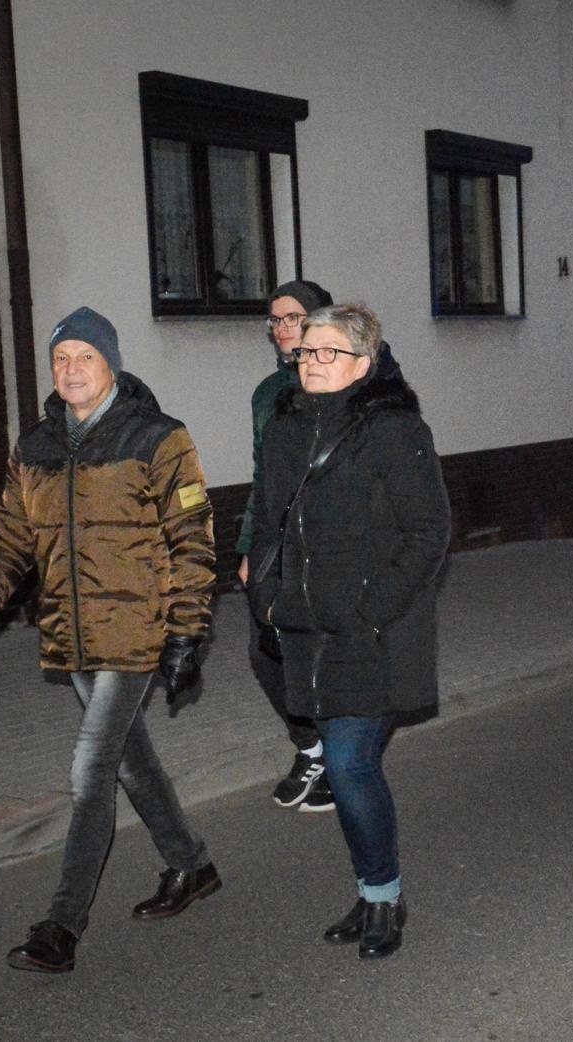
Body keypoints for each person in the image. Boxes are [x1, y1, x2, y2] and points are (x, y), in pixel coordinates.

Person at [0, 307, 219, 973]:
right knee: (130, 761)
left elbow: (192, 539)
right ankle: (191, 865)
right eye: (61, 358)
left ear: (111, 365)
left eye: (85, 358)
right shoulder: (35, 447)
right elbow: (9, 541)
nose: (71, 370)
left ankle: (61, 927)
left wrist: (186, 631)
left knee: (90, 769)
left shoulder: (158, 438)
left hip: (137, 628)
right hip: (72, 632)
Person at [248, 303, 451, 960]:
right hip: (309, 629)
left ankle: (385, 900)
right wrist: (270, 601)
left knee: (348, 762)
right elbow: (274, 524)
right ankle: (372, 893)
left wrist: (371, 608)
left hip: (373, 633)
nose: (311, 363)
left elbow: (429, 533)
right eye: (305, 352)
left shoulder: (393, 431)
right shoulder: (284, 432)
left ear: (363, 365)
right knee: (346, 761)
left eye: (327, 352)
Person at [238, 280, 338, 811]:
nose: (282, 328)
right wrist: (250, 547)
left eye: (293, 317)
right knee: (265, 652)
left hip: (327, 544)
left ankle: (339, 760)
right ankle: (311, 746)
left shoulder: (340, 380)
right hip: (276, 541)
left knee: (322, 655)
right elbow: (262, 475)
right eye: (275, 320)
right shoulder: (265, 395)